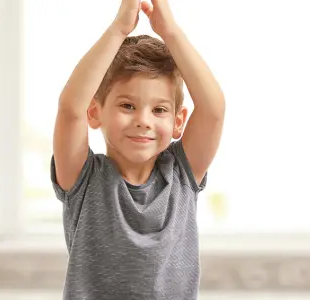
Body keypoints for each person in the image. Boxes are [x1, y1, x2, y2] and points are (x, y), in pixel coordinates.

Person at [50, 0, 225, 298]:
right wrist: (119, 29)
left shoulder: (182, 174)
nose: (143, 121)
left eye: (159, 110)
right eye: (127, 106)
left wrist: (170, 31)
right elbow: (70, 109)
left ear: (177, 121)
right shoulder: (83, 178)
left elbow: (213, 109)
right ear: (95, 112)